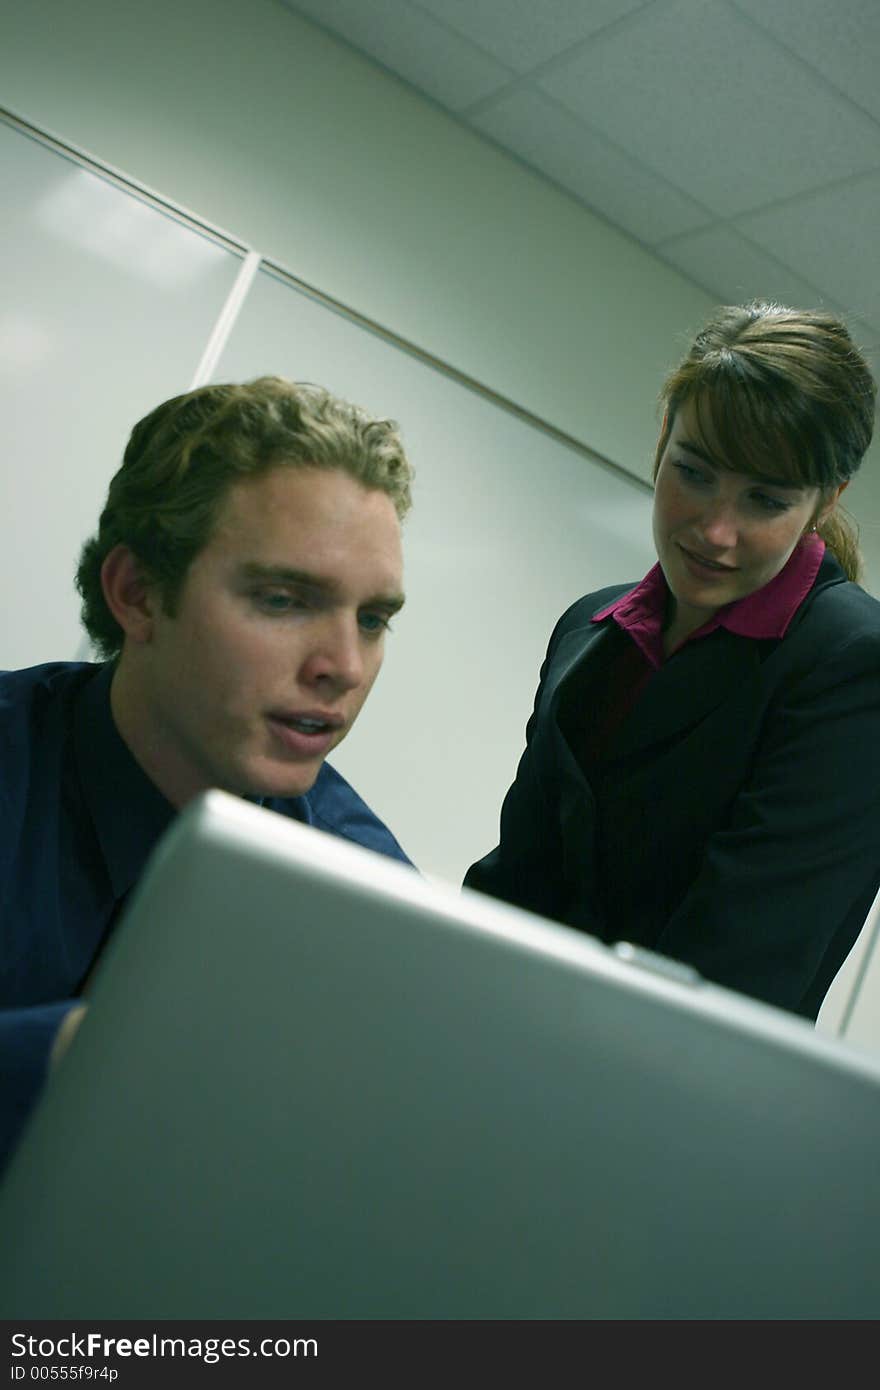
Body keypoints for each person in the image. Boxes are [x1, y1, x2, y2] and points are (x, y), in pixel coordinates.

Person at [0, 374, 415, 1167]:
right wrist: (70, 1058)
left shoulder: (366, 897)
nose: (345, 666)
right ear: (139, 593)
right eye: (285, 599)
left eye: (372, 619)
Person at [465, 301, 880, 1020]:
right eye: (693, 472)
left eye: (766, 499)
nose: (716, 530)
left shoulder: (849, 665)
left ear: (824, 501)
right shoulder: (588, 628)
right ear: (662, 438)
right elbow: (516, 882)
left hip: (665, 1087)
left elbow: (742, 965)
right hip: (499, 1040)